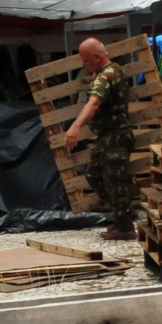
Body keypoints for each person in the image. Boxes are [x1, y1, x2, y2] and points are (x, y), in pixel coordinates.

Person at [61, 37, 139, 240]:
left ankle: (125, 227)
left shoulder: (107, 76)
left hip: (116, 137)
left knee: (115, 182)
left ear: (96, 57)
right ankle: (123, 216)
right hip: (108, 137)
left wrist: (75, 127)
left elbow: (94, 103)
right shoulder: (115, 70)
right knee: (94, 175)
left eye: (85, 60)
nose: (83, 65)